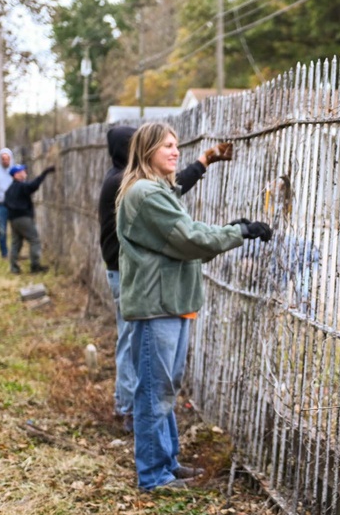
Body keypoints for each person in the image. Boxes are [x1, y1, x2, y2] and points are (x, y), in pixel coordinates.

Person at [115, 122, 272, 492]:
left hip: (171, 302)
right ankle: (153, 476)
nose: (175, 152)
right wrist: (239, 233)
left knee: (164, 390)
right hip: (157, 305)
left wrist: (226, 229)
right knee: (154, 392)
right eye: (166, 146)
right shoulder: (146, 194)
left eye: (176, 145)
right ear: (147, 150)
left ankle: (166, 463)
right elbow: (187, 239)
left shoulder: (158, 190)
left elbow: (182, 235)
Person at [98, 125, 234, 431]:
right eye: (163, 145)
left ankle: (133, 412)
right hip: (137, 277)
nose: (171, 151)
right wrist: (202, 163)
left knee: (147, 365)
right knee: (140, 359)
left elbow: (171, 193)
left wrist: (203, 162)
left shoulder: (125, 180)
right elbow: (179, 220)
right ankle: (128, 410)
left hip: (133, 273)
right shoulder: (131, 184)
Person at [4, 163, 55, 274]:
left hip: (13, 219)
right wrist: (45, 172)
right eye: (21, 172)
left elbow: (6, 203)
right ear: (16, 175)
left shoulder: (9, 189)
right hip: (23, 218)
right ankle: (35, 266)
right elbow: (34, 185)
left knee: (16, 242)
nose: (24, 173)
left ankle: (13, 267)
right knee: (34, 240)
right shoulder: (21, 186)